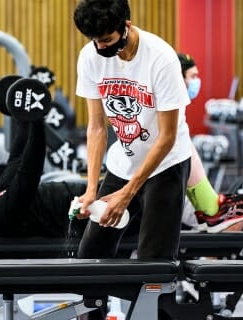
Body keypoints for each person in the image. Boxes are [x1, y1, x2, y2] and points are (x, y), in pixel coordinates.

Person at [74, 0, 192, 261]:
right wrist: (92, 189)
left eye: (106, 39)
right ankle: (98, 303)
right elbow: (96, 127)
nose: (100, 47)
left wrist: (128, 193)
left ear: (126, 26)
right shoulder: (90, 56)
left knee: (154, 262)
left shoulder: (161, 58)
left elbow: (168, 137)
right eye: (95, 41)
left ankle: (157, 303)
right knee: (91, 254)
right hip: (123, 162)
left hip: (166, 164)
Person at [177, 53, 243, 233]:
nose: (197, 82)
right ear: (179, 78)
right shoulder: (169, 113)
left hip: (177, 188)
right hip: (160, 192)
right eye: (193, 77)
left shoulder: (177, 111)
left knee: (230, 222)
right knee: (232, 225)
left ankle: (204, 256)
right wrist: (211, 208)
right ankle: (212, 216)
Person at [0, 119, 88, 239]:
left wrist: (22, 117)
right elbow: (29, 172)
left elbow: (16, 159)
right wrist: (37, 121)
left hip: (81, 195)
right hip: (82, 211)